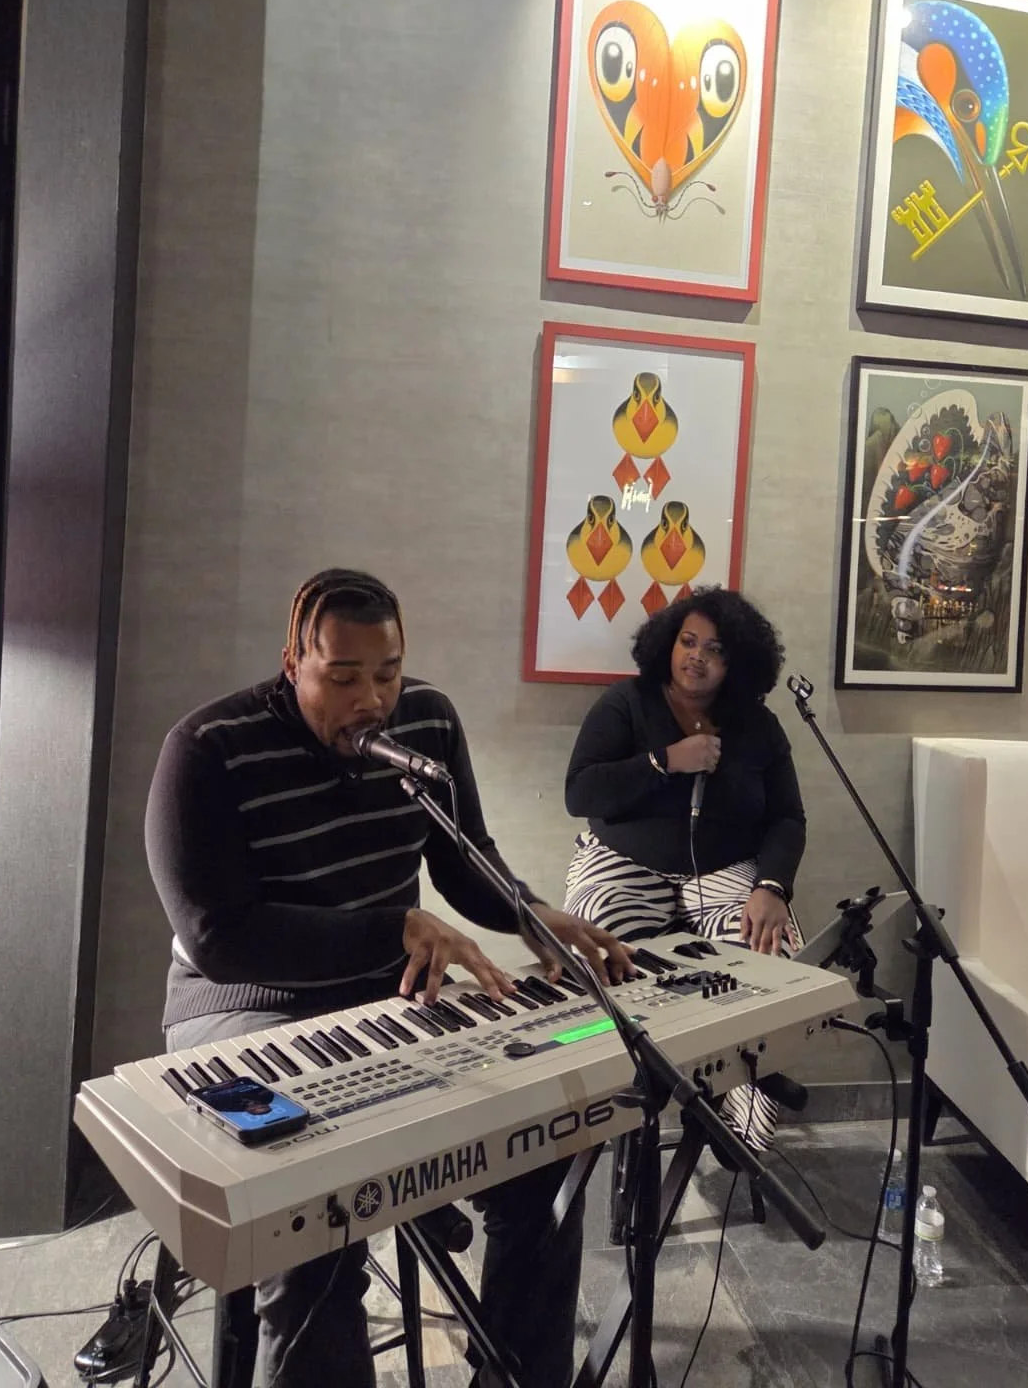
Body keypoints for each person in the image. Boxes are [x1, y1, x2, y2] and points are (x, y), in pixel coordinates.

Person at [146, 567, 634, 1388]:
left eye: (387, 672)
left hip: (388, 994)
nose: (371, 698)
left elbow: (464, 861)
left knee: (550, 1154)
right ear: (293, 662)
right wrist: (391, 928)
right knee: (315, 1221)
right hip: (241, 1008)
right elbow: (217, 937)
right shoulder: (206, 750)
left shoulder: (429, 724)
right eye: (342, 677)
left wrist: (530, 911)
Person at [563, 585, 806, 1150]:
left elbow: (788, 818)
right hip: (623, 863)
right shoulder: (625, 703)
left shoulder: (758, 726)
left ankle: (736, 1123)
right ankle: (623, 1108)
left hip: (724, 872)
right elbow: (581, 792)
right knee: (600, 961)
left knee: (774, 961)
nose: (696, 656)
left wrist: (772, 885)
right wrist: (664, 761)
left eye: (714, 649)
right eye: (687, 641)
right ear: (667, 645)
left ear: (736, 662)